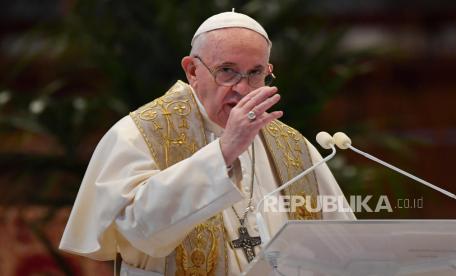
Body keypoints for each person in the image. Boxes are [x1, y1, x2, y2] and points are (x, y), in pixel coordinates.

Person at [60, 11, 355, 276]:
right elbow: (136, 229)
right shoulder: (138, 135)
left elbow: (343, 247)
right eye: (227, 70)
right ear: (192, 71)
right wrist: (224, 152)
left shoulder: (292, 147)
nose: (241, 88)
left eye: (255, 73)